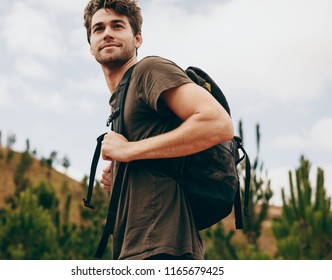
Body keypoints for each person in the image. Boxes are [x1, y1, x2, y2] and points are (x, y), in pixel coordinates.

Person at [83, 0, 234, 260]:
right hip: (134, 249)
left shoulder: (148, 70)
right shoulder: (120, 100)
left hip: (165, 250)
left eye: (117, 26)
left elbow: (217, 124)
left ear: (137, 38)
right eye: (98, 29)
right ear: (90, 45)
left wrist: (129, 150)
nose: (107, 33)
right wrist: (122, 172)